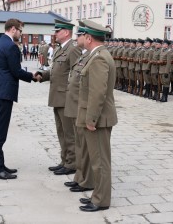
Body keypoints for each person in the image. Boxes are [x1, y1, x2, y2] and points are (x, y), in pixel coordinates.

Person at [0, 18, 40, 180]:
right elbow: (16, 71)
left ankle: (0, 165)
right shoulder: (11, 46)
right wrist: (32, 76)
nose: (21, 34)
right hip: (2, 93)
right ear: (13, 29)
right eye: (20, 31)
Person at [76, 20, 117, 212]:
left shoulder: (99, 58)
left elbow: (97, 92)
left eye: (82, 35)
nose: (81, 38)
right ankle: (97, 194)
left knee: (100, 161)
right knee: (96, 159)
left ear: (88, 37)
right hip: (97, 118)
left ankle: (101, 200)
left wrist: (91, 119)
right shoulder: (97, 55)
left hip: (98, 119)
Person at [37, 19, 81, 175]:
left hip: (67, 98)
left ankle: (72, 162)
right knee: (61, 131)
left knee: (69, 132)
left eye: (57, 31)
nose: (55, 34)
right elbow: (56, 71)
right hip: (57, 97)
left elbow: (77, 75)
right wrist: (42, 75)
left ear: (66, 32)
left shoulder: (73, 49)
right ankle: (65, 160)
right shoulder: (59, 49)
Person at [63, 22, 94, 193]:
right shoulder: (83, 55)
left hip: (82, 107)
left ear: (87, 37)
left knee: (84, 145)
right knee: (80, 145)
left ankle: (86, 179)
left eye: (79, 35)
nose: (76, 38)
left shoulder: (91, 56)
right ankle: (80, 177)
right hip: (76, 105)